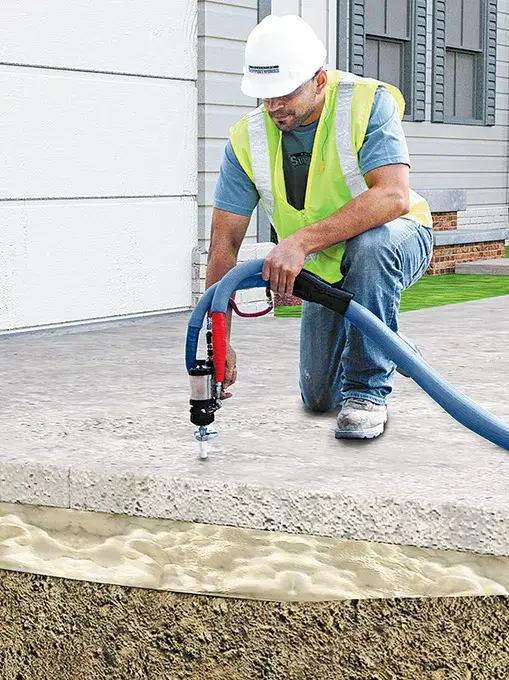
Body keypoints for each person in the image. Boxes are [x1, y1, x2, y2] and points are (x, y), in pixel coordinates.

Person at [205, 14, 434, 440]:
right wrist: (219, 342)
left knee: (372, 246)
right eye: (264, 95)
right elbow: (225, 245)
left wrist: (300, 243)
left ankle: (367, 391)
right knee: (317, 396)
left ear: (320, 80)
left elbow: (392, 196)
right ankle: (389, 342)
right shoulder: (245, 140)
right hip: (326, 265)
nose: (274, 106)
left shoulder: (367, 102)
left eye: (285, 92)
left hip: (398, 238)